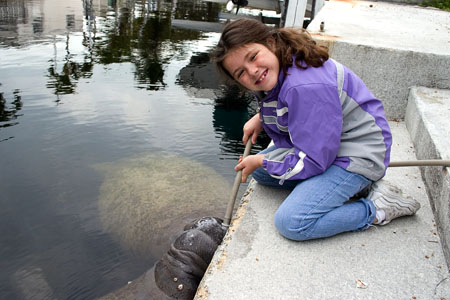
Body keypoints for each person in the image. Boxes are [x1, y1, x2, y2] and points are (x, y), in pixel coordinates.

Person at [211, 18, 421, 241]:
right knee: (261, 172)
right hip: (332, 144)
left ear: (271, 42)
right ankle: (345, 188)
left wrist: (263, 161)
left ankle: (378, 208)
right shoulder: (281, 63)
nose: (252, 72)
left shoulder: (305, 86)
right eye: (240, 73)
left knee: (292, 222)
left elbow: (314, 158)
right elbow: (284, 102)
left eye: (253, 57)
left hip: (358, 154)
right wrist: (261, 117)